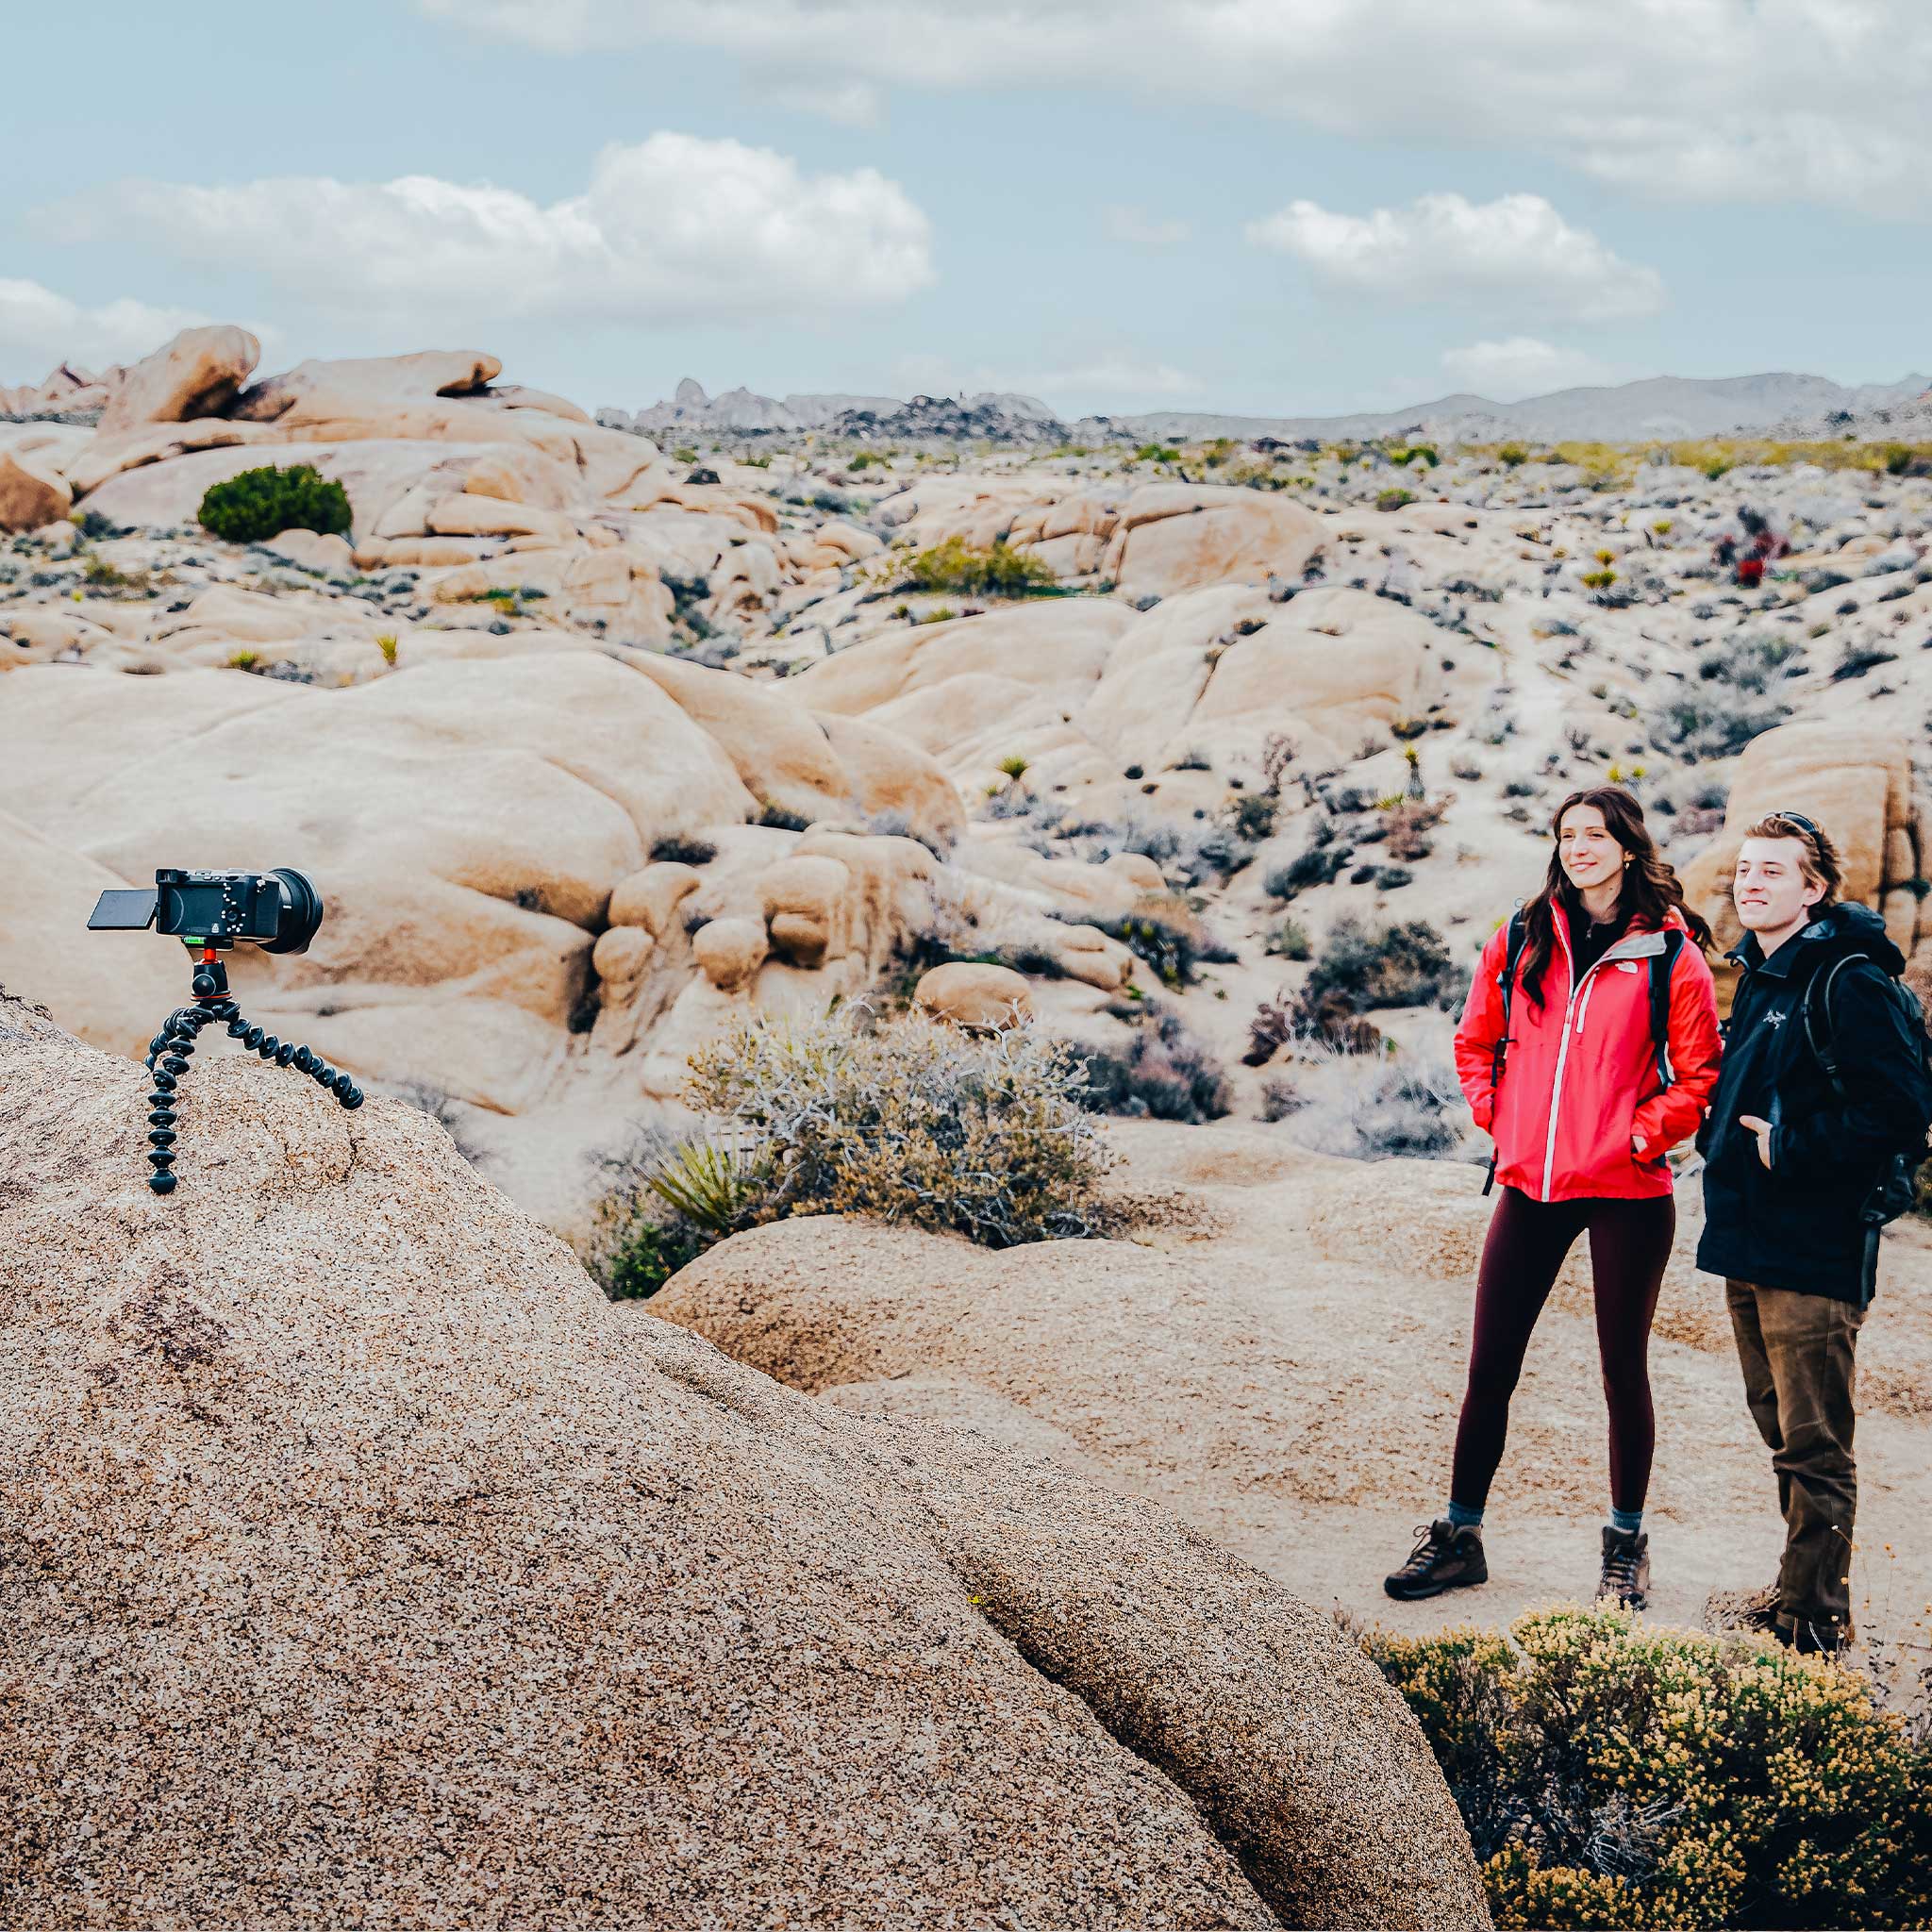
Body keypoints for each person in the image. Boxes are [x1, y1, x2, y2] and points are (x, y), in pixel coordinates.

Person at [1386, 788, 1722, 1607]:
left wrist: (1639, 1136)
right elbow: (1474, 1038)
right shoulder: (1524, 935)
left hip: (1626, 1191)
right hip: (1530, 1184)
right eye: (1568, 835)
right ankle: (1460, 1536)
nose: (1580, 848)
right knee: (1490, 1366)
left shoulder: (1670, 955)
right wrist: (1498, 1113)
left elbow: (1701, 1075)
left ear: (1627, 846)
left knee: (1621, 1372)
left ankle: (1625, 1544)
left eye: (1596, 835)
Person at [1699, 812, 1932, 1656]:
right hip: (1747, 1240)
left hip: (1814, 1249)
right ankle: (1797, 1591)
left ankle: (1817, 1623)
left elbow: (1904, 1115)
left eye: (1774, 871)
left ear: (1815, 887)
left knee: (1815, 1442)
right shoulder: (1764, 975)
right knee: (1779, 1429)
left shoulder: (1849, 978)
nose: (1752, 882)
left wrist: (1786, 1147)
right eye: (1745, 870)